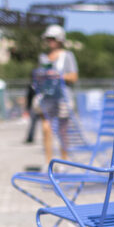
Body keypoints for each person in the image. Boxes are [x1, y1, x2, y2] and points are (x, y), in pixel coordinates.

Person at [36, 24, 78, 167]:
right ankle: (49, 163)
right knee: (46, 129)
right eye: (48, 38)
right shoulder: (43, 57)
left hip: (63, 97)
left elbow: (74, 77)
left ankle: (64, 161)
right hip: (47, 97)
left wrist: (58, 76)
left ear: (60, 39)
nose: (50, 41)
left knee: (62, 130)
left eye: (52, 38)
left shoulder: (68, 56)